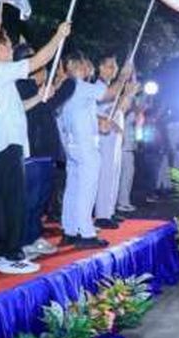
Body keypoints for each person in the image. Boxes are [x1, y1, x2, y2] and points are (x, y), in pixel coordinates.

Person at [0, 20, 70, 274]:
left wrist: (39, 97)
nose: (11, 48)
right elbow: (38, 60)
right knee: (11, 203)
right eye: (7, 44)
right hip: (5, 145)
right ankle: (10, 255)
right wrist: (58, 36)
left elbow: (15, 108)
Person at [57, 52, 131, 248]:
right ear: (73, 66)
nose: (86, 67)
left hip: (74, 145)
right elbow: (109, 94)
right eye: (82, 64)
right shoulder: (78, 86)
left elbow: (82, 115)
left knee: (73, 188)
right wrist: (123, 76)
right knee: (86, 189)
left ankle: (70, 230)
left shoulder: (68, 88)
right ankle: (86, 233)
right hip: (85, 145)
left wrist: (99, 123)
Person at [15, 44, 76, 260]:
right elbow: (47, 106)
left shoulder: (33, 88)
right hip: (33, 150)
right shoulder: (22, 86)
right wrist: (68, 82)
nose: (45, 71)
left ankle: (34, 236)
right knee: (31, 200)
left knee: (40, 200)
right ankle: (24, 241)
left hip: (45, 151)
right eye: (41, 67)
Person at [93, 54, 125, 229]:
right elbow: (97, 112)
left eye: (116, 66)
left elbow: (117, 109)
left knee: (113, 172)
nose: (114, 69)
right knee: (105, 173)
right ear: (101, 67)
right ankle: (102, 214)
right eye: (110, 66)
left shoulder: (109, 87)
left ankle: (110, 210)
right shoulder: (98, 87)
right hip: (104, 136)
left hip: (114, 136)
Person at [116, 94, 141, 214]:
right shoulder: (124, 112)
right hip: (123, 148)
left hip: (129, 146)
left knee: (127, 176)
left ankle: (123, 201)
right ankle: (122, 203)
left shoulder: (131, 111)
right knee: (125, 176)